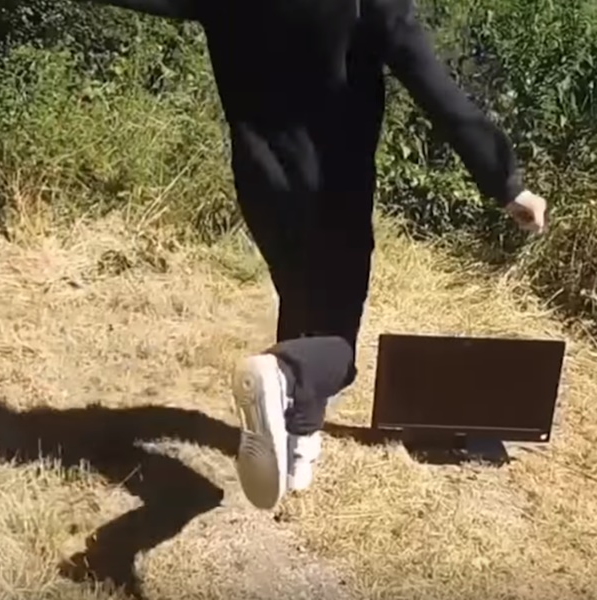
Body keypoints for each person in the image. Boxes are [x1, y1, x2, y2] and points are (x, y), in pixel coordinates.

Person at [80, 0, 547, 510]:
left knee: (301, 299)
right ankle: (284, 376)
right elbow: (432, 85)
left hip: (262, 184)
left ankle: (298, 443)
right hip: (335, 189)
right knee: (337, 345)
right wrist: (506, 183)